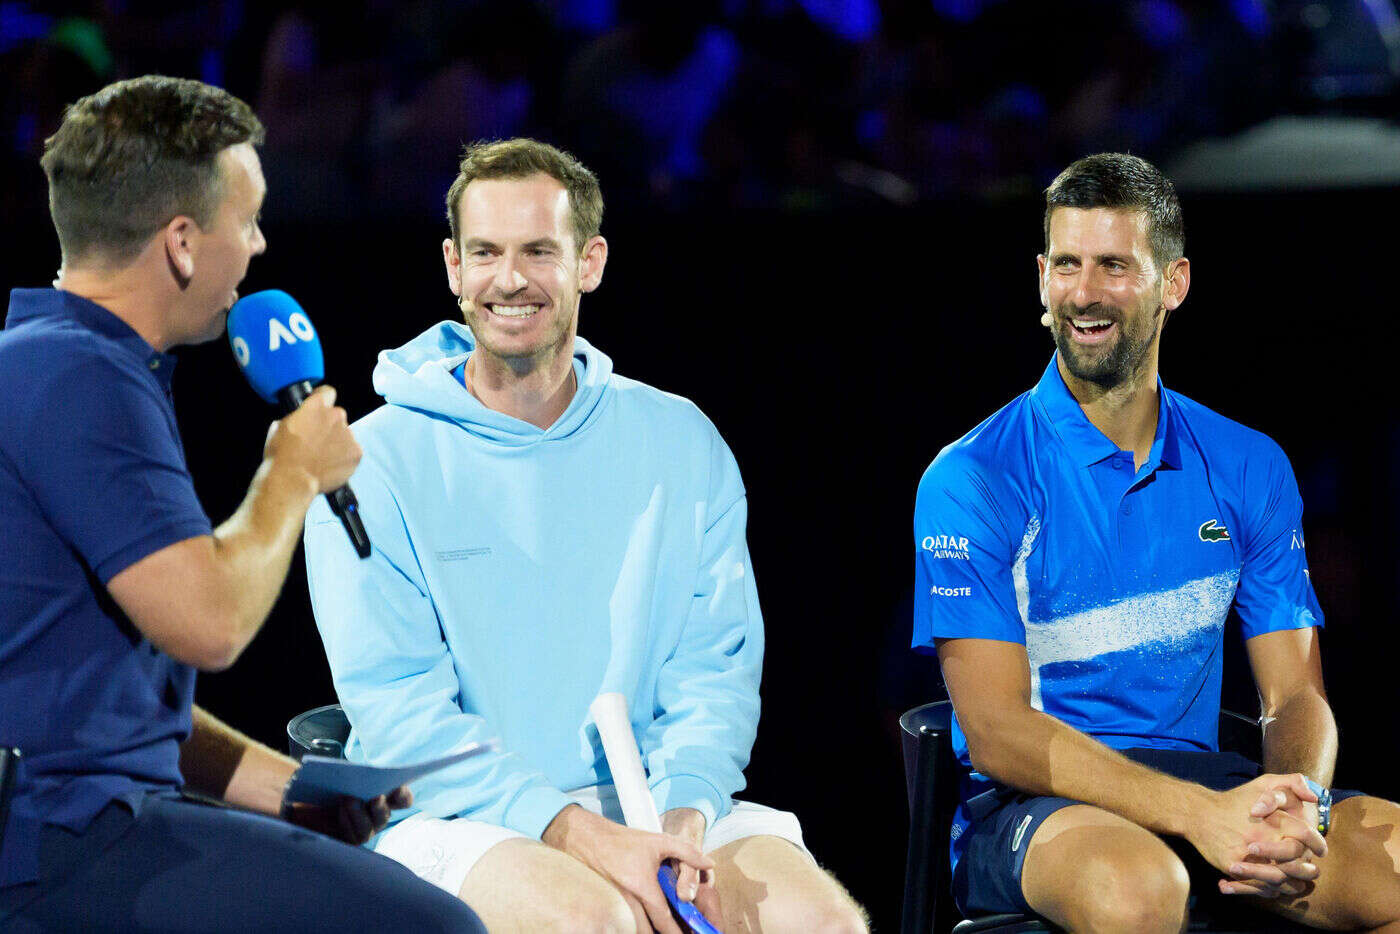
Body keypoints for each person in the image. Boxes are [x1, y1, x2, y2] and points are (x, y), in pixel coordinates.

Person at [303, 137, 869, 933]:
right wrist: (584, 837)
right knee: (595, 923)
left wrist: (680, 818)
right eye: (486, 253)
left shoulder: (681, 441)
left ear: (590, 262)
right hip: (454, 815)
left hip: (659, 804)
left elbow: (715, 675)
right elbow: (403, 718)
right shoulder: (369, 462)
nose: (510, 279)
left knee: (824, 924)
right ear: (453, 267)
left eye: (539, 251)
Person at [0, 76, 485, 933]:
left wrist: (288, 790)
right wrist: (290, 475)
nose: (260, 246)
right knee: (437, 928)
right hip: (60, 843)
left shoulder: (61, 362)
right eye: (249, 219)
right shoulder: (82, 380)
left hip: (80, 819)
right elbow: (211, 625)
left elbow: (112, 699)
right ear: (182, 243)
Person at [913, 152, 1400, 930]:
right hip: (1038, 809)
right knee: (1138, 885)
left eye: (1113, 266)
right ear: (1041, 279)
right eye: (1066, 265)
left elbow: (1297, 694)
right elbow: (1000, 734)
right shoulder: (971, 478)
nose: (1084, 293)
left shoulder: (1250, 465)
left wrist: (1295, 806)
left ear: (1173, 284)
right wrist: (1198, 814)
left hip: (1208, 789)